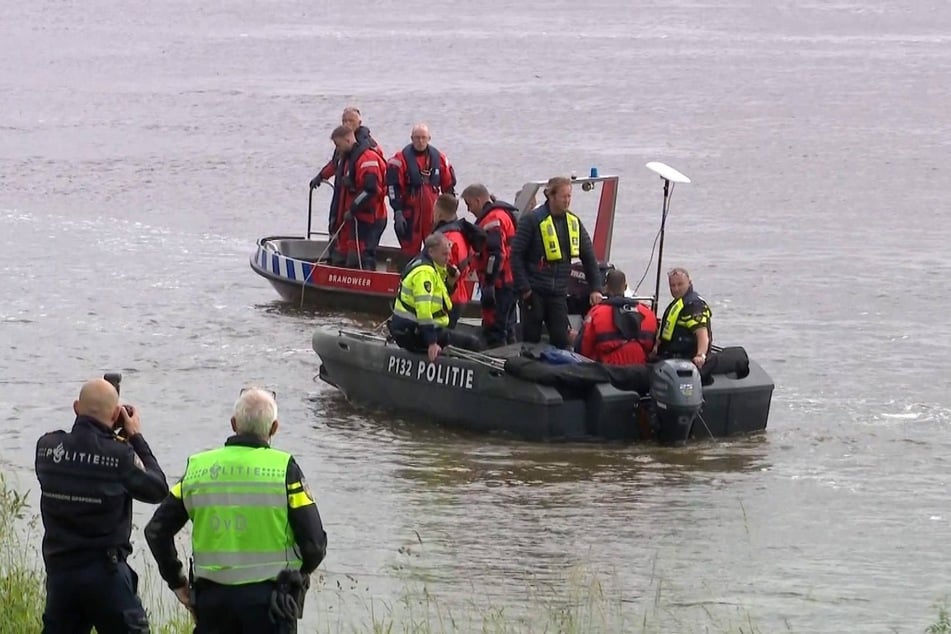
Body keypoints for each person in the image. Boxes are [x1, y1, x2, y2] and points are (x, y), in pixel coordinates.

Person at [144, 388, 328, 634]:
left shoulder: (199, 469)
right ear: (274, 428)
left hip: (212, 604)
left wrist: (178, 583)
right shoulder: (285, 470)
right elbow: (314, 546)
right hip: (271, 604)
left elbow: (156, 531)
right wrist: (297, 578)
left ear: (233, 424)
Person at [35, 378, 169, 634]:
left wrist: (110, 438)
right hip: (105, 575)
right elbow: (157, 489)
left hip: (61, 575)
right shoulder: (120, 456)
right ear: (118, 413)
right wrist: (134, 437)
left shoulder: (47, 448)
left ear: (76, 408)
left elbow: (82, 460)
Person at [510, 176, 604, 349]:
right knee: (530, 341)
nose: (567, 200)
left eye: (569, 196)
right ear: (551, 196)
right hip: (534, 292)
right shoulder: (532, 220)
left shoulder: (573, 222)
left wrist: (596, 288)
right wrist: (524, 289)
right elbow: (516, 255)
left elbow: (589, 257)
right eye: (563, 196)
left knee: (561, 340)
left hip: (558, 294)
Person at [388, 232, 484, 361]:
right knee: (472, 343)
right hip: (413, 332)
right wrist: (432, 343)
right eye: (445, 254)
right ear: (432, 252)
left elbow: (438, 302)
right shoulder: (425, 273)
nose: (448, 258)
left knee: (459, 336)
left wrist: (451, 282)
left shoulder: (429, 266)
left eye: (449, 253)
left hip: (413, 328)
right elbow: (424, 311)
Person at [461, 183, 520, 347]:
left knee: (495, 328)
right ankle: (510, 359)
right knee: (508, 326)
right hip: (509, 281)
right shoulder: (500, 215)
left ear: (478, 200)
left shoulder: (492, 220)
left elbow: (495, 254)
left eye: (469, 204)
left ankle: (496, 366)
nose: (468, 210)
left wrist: (489, 283)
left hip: (500, 284)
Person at [387, 123, 457, 255]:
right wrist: (398, 212)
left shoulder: (440, 159)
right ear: (411, 138)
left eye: (423, 138)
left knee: (435, 250)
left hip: (433, 216)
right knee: (408, 252)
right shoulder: (399, 160)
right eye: (417, 137)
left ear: (429, 138)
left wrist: (451, 214)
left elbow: (448, 187)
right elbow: (393, 189)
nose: (420, 141)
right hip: (410, 215)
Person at [325, 124, 389, 269]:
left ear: (348, 140)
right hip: (354, 220)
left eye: (338, 145)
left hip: (370, 218)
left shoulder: (367, 159)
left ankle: (368, 286)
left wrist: (353, 209)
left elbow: (371, 190)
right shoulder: (348, 159)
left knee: (364, 256)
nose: (337, 149)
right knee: (347, 255)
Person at [575, 269, 657, 365]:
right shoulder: (647, 313)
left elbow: (584, 348)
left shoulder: (596, 313)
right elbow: (651, 347)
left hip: (609, 371)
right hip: (639, 370)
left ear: (606, 288)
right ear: (625, 287)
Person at [432, 193, 485, 328]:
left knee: (440, 334)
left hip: (449, 297)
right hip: (460, 295)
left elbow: (444, 270)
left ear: (439, 213)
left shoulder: (445, 238)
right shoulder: (461, 233)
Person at [309, 106, 384, 189]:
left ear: (359, 123)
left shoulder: (371, 146)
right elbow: (334, 164)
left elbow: (380, 173)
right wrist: (321, 176)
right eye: (344, 121)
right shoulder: (341, 144)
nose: (347, 124)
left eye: (351, 121)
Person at [655, 267, 713, 368]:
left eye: (680, 284)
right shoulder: (677, 303)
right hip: (668, 357)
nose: (676, 289)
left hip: (685, 361)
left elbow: (702, 334)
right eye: (672, 286)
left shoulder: (694, 305)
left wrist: (700, 355)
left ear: (689, 283)